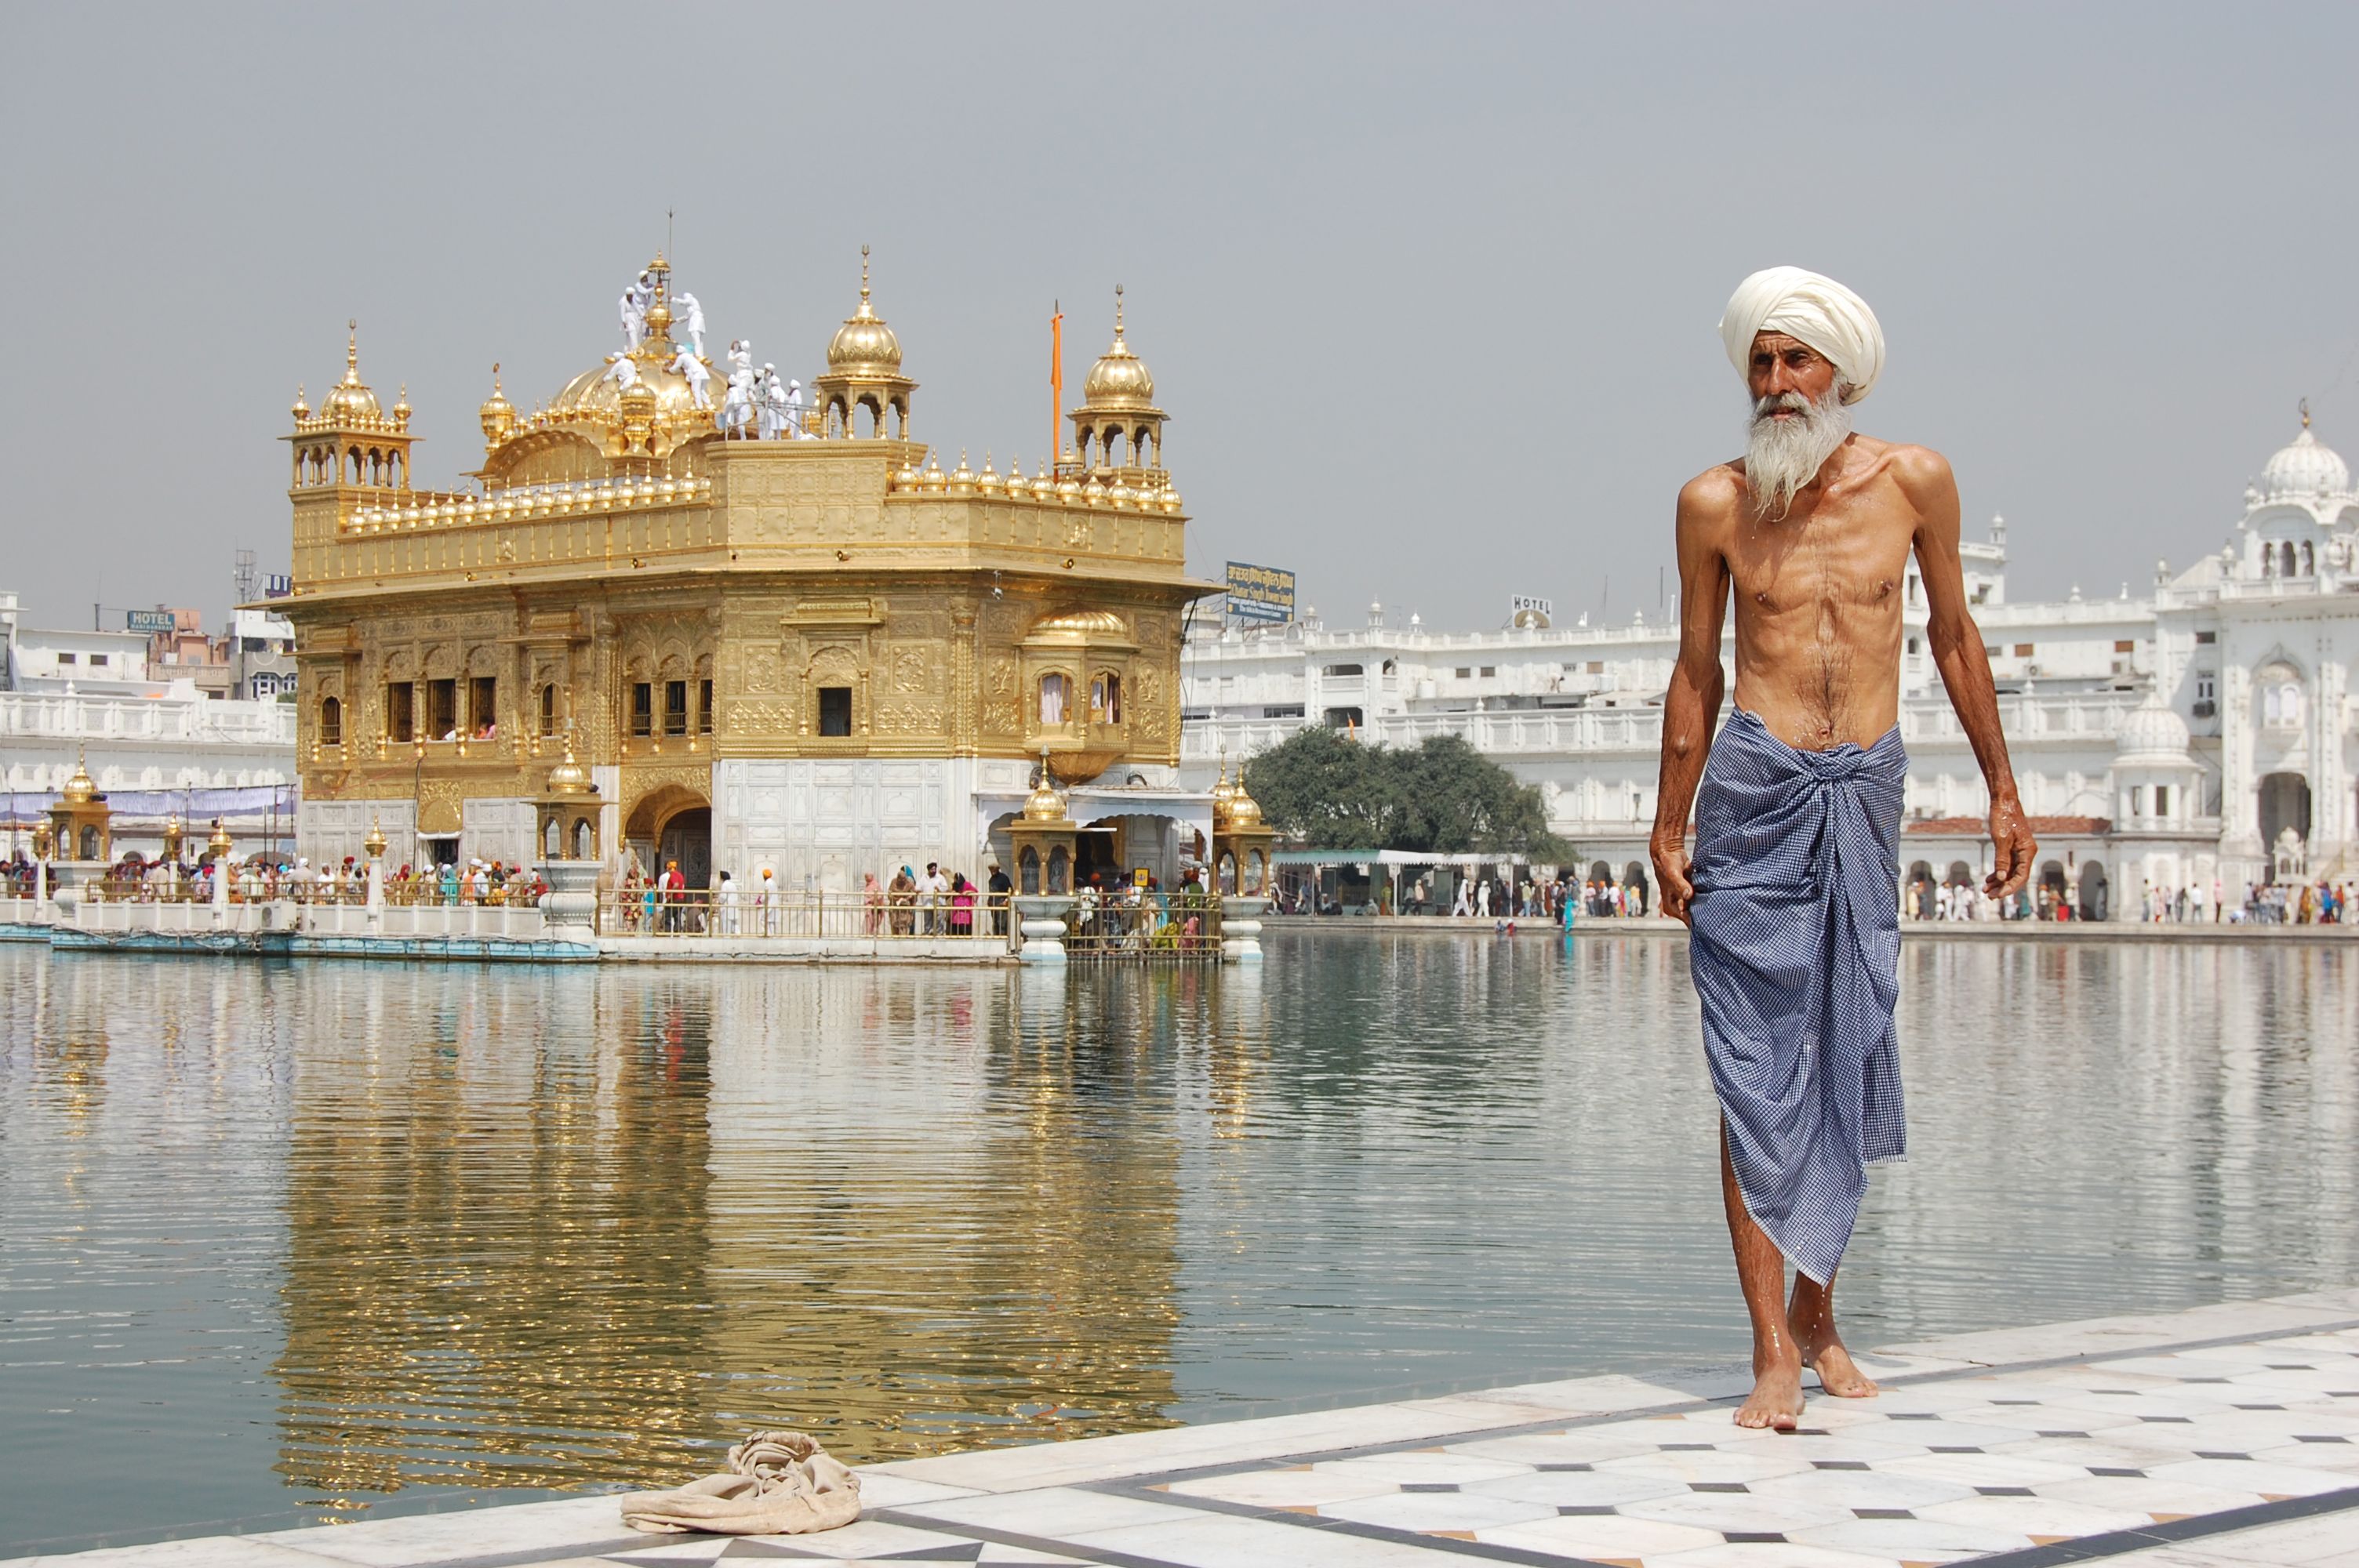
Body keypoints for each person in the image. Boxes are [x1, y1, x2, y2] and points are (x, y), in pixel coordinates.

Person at [1651, 267, 2034, 1431]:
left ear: (1841, 374)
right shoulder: (1714, 504)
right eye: (1760, 364)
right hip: (1755, 796)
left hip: (1865, 790)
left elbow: (1956, 638)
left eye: (1794, 362)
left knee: (1848, 1054)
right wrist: (1664, 821)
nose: (1775, 384)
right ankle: (1772, 1347)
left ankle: (1823, 1317)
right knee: (1756, 1073)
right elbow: (1699, 671)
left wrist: (2005, 794)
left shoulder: (1913, 483)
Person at [987, 861, 1012, 936]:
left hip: (1001, 904)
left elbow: (1010, 890)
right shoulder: (991, 880)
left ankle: (1003, 940)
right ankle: (996, 939)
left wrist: (1006, 901)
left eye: (994, 869)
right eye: (991, 869)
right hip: (994, 905)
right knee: (995, 924)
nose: (992, 871)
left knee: (1002, 924)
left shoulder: (1003, 878)